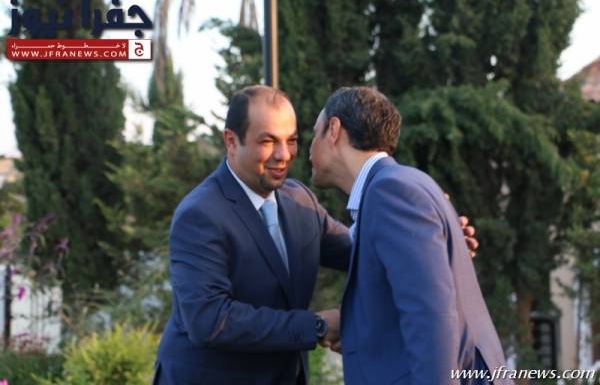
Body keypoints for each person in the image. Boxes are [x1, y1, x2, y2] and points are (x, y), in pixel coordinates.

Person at [154, 85, 478, 384]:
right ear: (231, 141)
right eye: (268, 141)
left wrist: (427, 241)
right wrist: (317, 326)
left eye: (292, 140)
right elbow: (209, 320)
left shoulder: (299, 200)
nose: (284, 154)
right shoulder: (200, 214)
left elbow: (361, 250)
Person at [309, 86, 512, 385]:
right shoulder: (403, 184)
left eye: (315, 133)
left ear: (334, 130)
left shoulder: (390, 192)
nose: (308, 148)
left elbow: (430, 316)